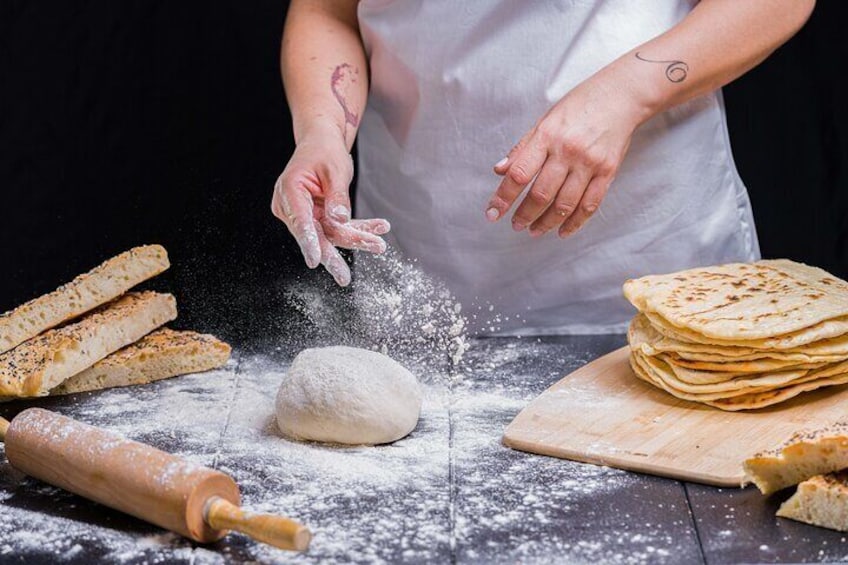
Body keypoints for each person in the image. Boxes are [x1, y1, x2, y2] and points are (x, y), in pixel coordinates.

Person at [272, 0, 815, 335]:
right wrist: (324, 130)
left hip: (655, 253)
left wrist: (628, 94)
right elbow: (327, 9)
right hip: (428, 261)